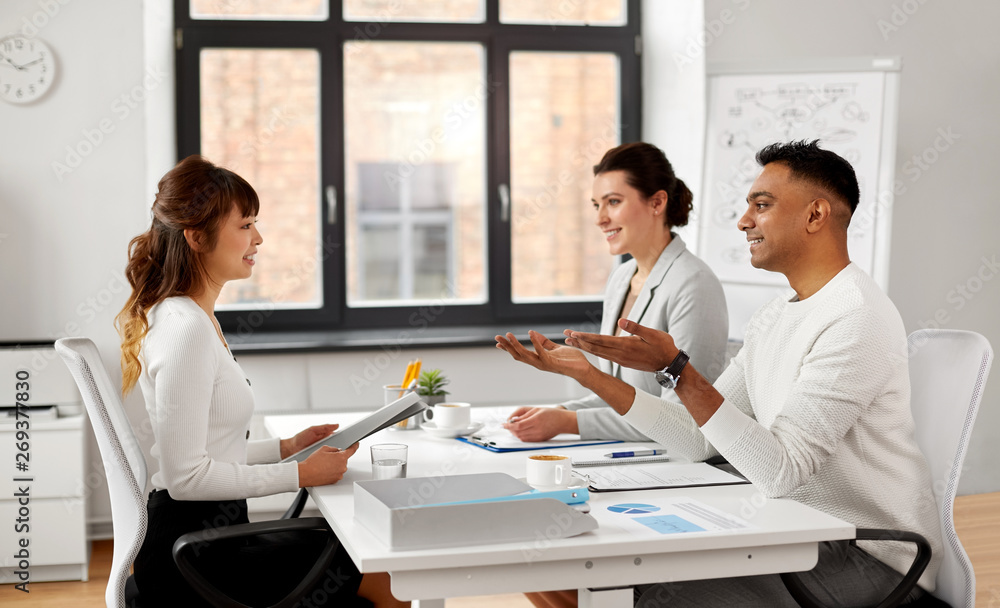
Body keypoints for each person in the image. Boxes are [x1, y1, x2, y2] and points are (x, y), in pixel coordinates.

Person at [498, 140, 943, 607]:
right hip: (798, 528)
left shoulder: (855, 315)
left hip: (868, 551)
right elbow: (695, 438)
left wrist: (676, 369)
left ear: (815, 216)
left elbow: (782, 471)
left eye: (762, 205)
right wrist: (593, 377)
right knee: (567, 571)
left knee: (648, 597)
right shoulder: (777, 314)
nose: (743, 220)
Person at [116, 156, 406, 607]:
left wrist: (284, 448)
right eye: (245, 225)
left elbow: (206, 451)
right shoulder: (185, 327)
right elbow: (185, 477)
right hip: (195, 558)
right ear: (196, 236)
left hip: (211, 539)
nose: (258, 238)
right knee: (384, 567)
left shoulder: (193, 317)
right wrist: (300, 473)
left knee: (368, 554)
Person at [502, 142, 729, 443]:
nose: (600, 218)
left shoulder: (695, 284)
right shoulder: (623, 277)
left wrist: (569, 422)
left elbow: (685, 422)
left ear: (657, 202)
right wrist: (557, 411)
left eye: (613, 202)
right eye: (597, 205)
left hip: (679, 465)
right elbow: (625, 397)